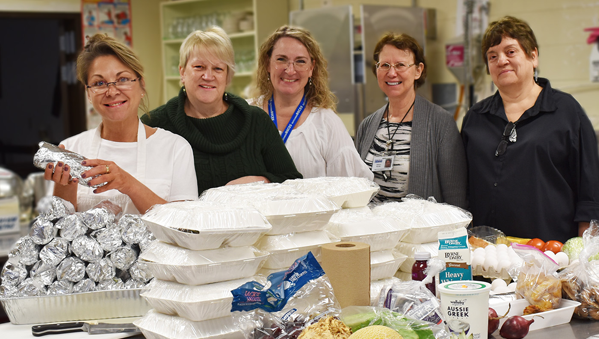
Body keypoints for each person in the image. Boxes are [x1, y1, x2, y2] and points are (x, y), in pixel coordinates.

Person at [461, 16, 599, 242]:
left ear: (533, 56)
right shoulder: (475, 118)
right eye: (492, 56)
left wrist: (585, 253)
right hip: (488, 257)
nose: (502, 60)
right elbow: (463, 191)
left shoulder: (566, 112)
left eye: (511, 52)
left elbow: (590, 189)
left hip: (551, 254)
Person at [45, 34, 198, 214]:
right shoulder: (71, 149)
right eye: (99, 83)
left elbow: (186, 226)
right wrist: (65, 188)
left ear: (142, 85)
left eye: (123, 79)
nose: (111, 91)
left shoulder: (175, 149)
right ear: (88, 94)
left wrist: (128, 184)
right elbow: (55, 233)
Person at [142, 27, 302, 194]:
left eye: (218, 69)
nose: (208, 76)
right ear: (182, 72)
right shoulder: (154, 125)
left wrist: (261, 180)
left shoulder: (257, 121)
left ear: (228, 77)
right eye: (199, 67)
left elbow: (294, 182)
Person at [355, 32, 467, 206]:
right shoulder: (367, 126)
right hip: (373, 229)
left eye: (400, 65)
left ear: (418, 70)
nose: (392, 73)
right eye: (384, 65)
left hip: (419, 231)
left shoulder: (440, 123)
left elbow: (456, 196)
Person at [250, 25, 373, 180]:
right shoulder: (245, 114)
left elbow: (356, 184)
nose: (290, 70)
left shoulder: (326, 123)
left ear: (311, 68)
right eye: (281, 59)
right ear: (268, 63)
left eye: (300, 61)